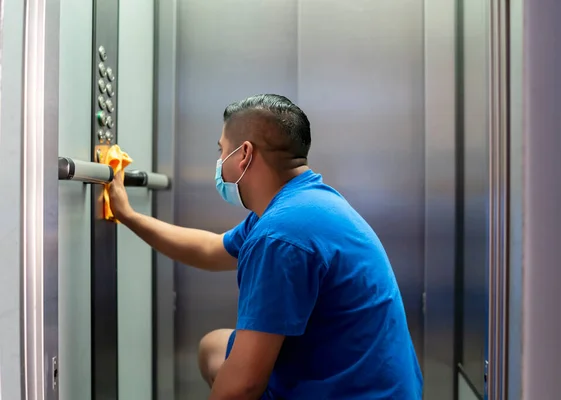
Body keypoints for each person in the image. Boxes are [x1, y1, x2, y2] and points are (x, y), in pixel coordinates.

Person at [108, 94, 423, 399]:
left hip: (355, 393)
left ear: (243, 154)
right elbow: (210, 248)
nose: (219, 163)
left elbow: (242, 388)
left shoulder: (280, 234)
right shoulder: (302, 202)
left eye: (222, 151)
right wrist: (128, 216)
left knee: (235, 374)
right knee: (215, 347)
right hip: (381, 384)